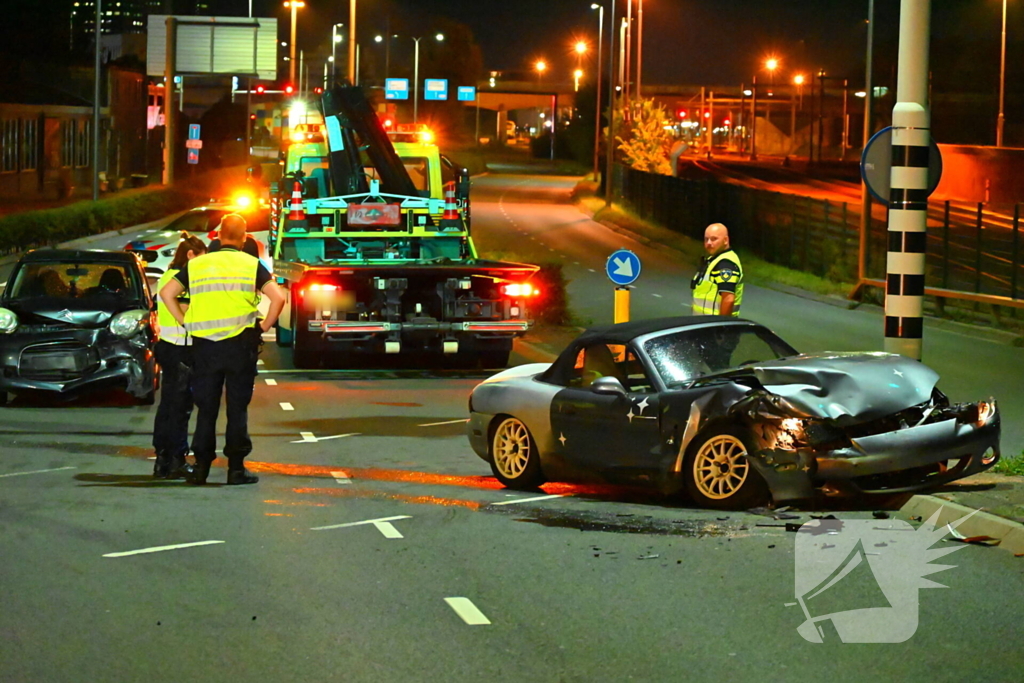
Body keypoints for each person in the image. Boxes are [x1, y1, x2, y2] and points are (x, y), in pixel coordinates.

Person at [160, 214, 286, 486]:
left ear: (217, 236)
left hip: (204, 345)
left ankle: (202, 468)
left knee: (206, 409)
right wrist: (263, 326)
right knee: (237, 408)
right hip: (241, 344)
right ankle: (236, 469)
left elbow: (167, 293)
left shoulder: (197, 265)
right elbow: (279, 297)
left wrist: (185, 321)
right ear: (244, 238)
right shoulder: (251, 264)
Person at [151, 233, 207, 479]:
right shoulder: (181, 281)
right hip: (181, 348)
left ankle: (163, 459)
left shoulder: (167, 276)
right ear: (190, 255)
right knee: (180, 408)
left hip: (168, 346)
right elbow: (184, 310)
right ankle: (176, 459)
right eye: (201, 259)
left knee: (167, 405)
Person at [691, 222, 744, 317]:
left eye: (714, 239)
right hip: (705, 324)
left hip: (714, 327)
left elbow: (728, 299)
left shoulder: (726, 264)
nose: (709, 243)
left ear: (725, 240)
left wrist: (721, 327)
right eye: (706, 239)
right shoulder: (715, 260)